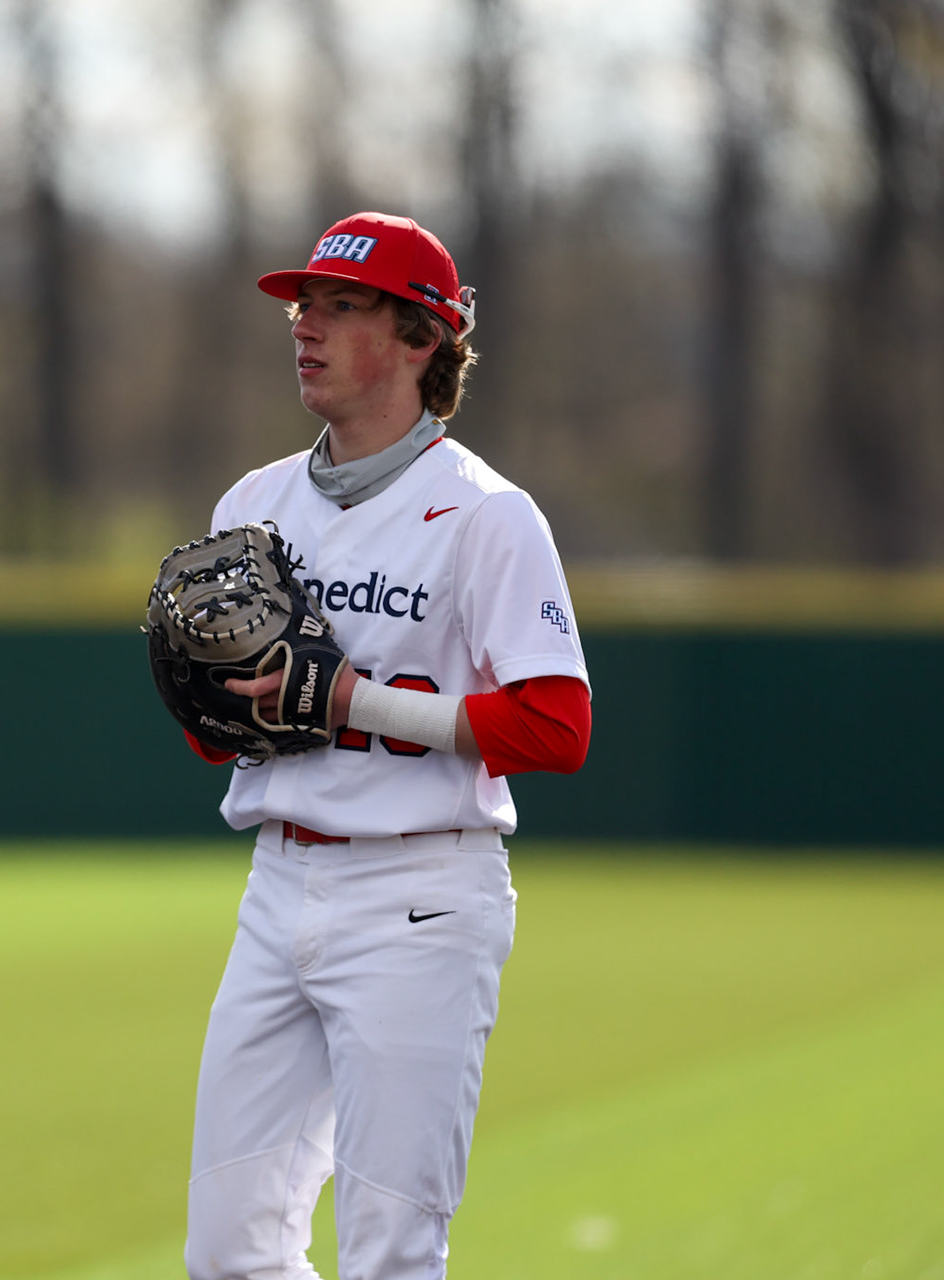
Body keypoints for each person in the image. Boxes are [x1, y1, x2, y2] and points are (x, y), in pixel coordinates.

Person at [180, 211, 592, 1280]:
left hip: (421, 894)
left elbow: (557, 727)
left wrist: (357, 701)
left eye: (342, 306)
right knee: (229, 1248)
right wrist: (211, 700)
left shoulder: (486, 515)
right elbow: (213, 735)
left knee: (390, 1253)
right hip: (278, 884)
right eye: (302, 305)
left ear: (421, 338)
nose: (305, 325)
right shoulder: (255, 502)